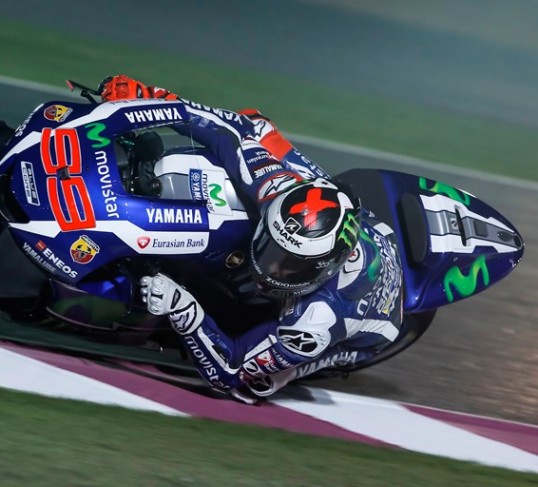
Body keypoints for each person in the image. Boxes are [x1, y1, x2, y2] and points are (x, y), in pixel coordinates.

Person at [99, 75, 403, 403]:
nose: (271, 268)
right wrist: (148, 99)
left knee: (254, 386)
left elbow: (229, 371)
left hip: (370, 329)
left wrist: (183, 309)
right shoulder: (278, 190)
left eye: (289, 265)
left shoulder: (315, 322)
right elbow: (226, 132)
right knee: (256, 126)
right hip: (366, 228)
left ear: (323, 268)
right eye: (271, 248)